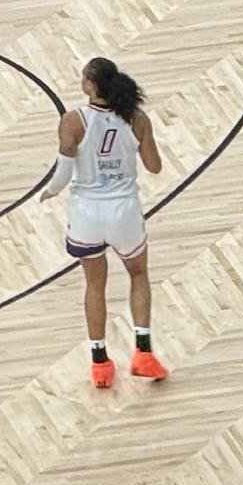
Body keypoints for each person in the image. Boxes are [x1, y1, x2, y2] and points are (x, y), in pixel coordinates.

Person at [41, 55, 167, 388]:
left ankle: (100, 363)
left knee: (95, 284)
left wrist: (50, 192)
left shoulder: (73, 120)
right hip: (123, 210)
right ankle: (143, 353)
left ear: (90, 84)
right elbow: (155, 166)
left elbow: (64, 172)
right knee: (138, 274)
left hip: (87, 213)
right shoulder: (136, 118)